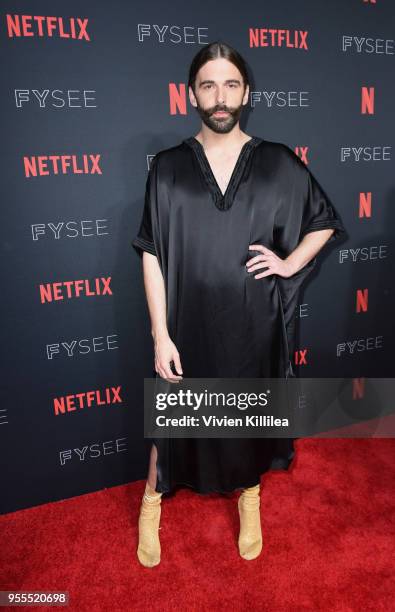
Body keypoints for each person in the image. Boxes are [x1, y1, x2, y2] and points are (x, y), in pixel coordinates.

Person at [131, 41, 345, 567]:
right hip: (186, 323)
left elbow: (323, 221)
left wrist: (290, 264)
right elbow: (152, 253)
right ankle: (152, 498)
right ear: (190, 95)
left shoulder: (277, 161)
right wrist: (160, 332)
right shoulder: (167, 167)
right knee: (173, 417)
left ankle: (250, 496)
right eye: (208, 85)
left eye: (230, 85)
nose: (220, 96)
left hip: (254, 324)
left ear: (246, 93)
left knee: (247, 417)